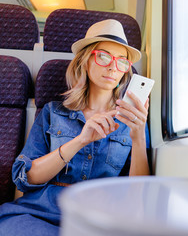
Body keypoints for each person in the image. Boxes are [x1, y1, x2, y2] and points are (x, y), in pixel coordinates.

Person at [0, 19, 150, 236]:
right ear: (85, 61)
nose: (112, 66)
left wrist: (138, 137)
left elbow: (138, 195)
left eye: (122, 61)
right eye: (104, 56)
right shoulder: (53, 112)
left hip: (100, 218)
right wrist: (81, 140)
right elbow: (24, 177)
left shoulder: (132, 120)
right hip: (41, 211)